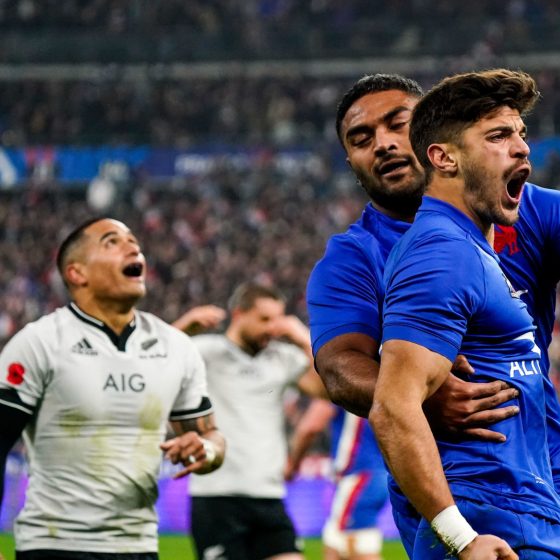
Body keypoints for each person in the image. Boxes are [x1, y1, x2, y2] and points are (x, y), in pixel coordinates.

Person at [306, 73, 560, 559]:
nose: (382, 144)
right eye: (361, 140)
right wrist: (421, 396)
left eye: (397, 124)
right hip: (463, 483)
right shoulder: (358, 258)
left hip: (548, 473)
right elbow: (339, 366)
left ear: (430, 137)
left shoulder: (529, 212)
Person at [370, 68, 560, 559]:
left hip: (513, 511)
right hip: (491, 518)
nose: (522, 148)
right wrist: (462, 537)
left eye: (521, 134)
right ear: (443, 157)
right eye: (498, 136)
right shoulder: (441, 252)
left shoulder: (468, 249)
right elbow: (393, 407)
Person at [0, 217, 225, 559]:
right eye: (112, 242)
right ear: (78, 273)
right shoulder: (40, 342)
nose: (133, 247)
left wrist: (205, 451)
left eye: (133, 241)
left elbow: (212, 438)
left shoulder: (177, 347)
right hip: (53, 546)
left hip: (139, 547)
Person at [176, 283, 327, 560]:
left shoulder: (283, 358)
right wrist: (184, 325)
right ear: (239, 314)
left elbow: (329, 391)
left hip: (268, 494)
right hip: (217, 496)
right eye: (264, 319)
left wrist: (305, 340)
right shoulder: (205, 351)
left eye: (277, 319)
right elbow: (152, 362)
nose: (272, 328)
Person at [285, 398, 387, 560]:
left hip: (358, 477)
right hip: (377, 474)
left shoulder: (343, 385)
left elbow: (311, 426)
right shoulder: (374, 387)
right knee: (347, 543)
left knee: (343, 546)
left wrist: (292, 464)